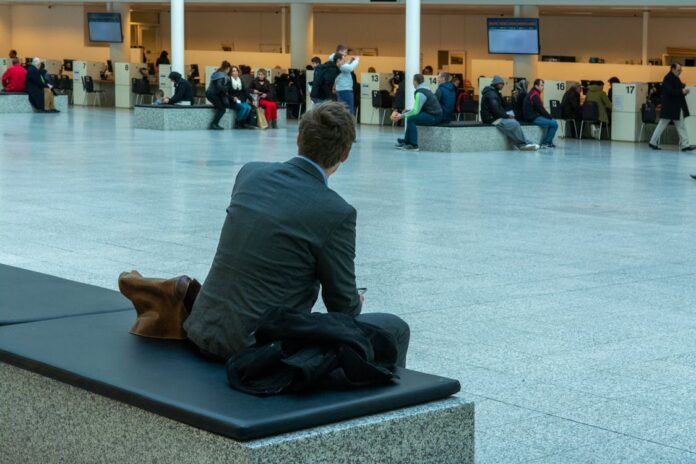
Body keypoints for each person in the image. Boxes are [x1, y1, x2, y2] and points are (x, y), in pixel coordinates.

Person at [180, 102, 410, 365]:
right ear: (345, 154)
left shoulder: (250, 173)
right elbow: (343, 307)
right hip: (258, 349)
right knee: (396, 328)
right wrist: (355, 299)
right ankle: (384, 404)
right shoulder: (337, 211)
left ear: (299, 139)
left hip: (202, 330)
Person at [480, 75, 538, 151]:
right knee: (514, 124)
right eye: (502, 84)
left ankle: (525, 142)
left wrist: (513, 101)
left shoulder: (495, 92)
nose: (503, 85)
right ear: (497, 84)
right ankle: (522, 144)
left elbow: (501, 107)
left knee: (514, 121)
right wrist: (507, 116)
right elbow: (496, 111)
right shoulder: (492, 94)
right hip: (491, 118)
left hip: (493, 116)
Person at [649, 63, 696, 151]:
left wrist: (683, 92)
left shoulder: (675, 78)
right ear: (673, 69)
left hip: (674, 107)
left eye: (680, 70)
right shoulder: (668, 78)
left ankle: (685, 144)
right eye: (679, 70)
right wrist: (681, 91)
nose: (680, 72)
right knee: (666, 125)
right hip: (671, 107)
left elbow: (675, 91)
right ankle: (653, 142)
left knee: (678, 125)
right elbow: (670, 91)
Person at [392, 74, 443, 152]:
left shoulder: (420, 93)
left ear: (415, 81)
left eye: (413, 81)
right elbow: (418, 108)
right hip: (434, 114)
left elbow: (416, 111)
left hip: (434, 116)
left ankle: (413, 145)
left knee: (411, 119)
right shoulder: (425, 89)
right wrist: (408, 111)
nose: (412, 83)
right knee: (410, 117)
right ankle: (407, 141)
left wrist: (401, 116)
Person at [523, 79, 558, 149]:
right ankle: (545, 143)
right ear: (536, 86)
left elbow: (540, 110)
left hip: (533, 116)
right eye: (541, 85)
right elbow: (541, 110)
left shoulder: (534, 93)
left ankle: (549, 142)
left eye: (543, 85)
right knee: (554, 124)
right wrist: (550, 117)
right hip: (532, 117)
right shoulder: (534, 95)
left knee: (553, 122)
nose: (543, 87)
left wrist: (549, 117)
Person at [206, 61, 232, 130]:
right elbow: (219, 86)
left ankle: (215, 124)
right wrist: (226, 89)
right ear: (228, 68)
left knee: (221, 107)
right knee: (222, 109)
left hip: (210, 93)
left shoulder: (216, 73)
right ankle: (214, 124)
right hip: (213, 94)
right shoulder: (222, 75)